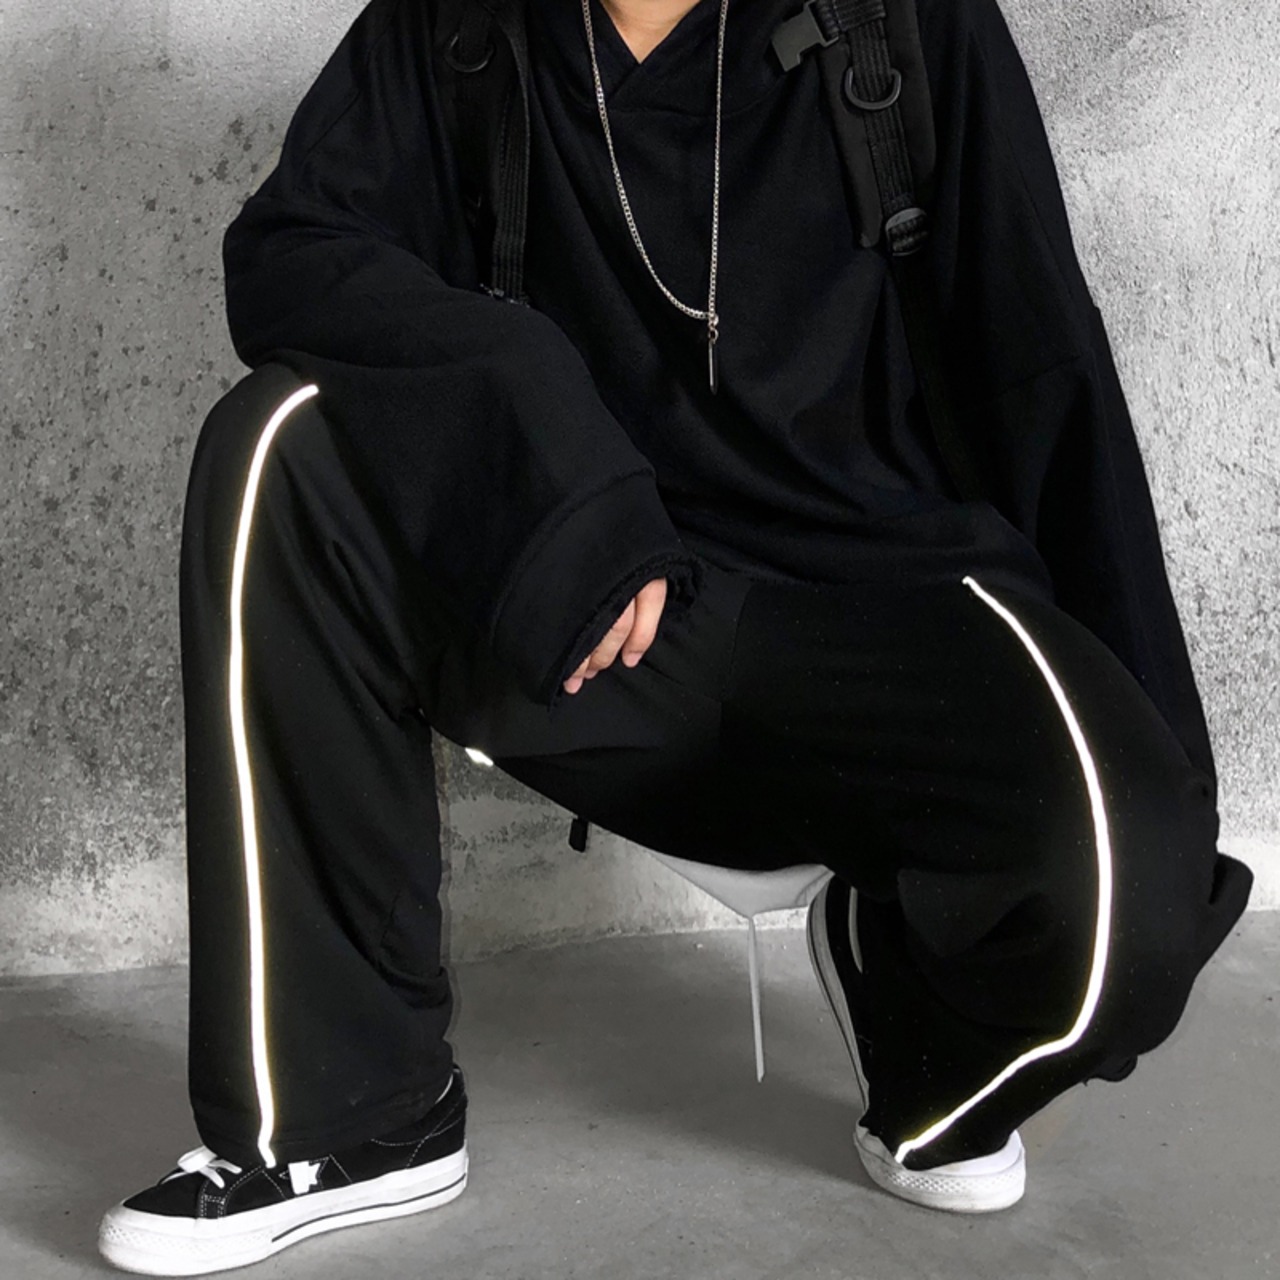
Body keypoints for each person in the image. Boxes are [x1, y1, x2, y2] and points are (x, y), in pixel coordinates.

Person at [97, 0, 1254, 1272]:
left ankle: (909, 1003)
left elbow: (1042, 369)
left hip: (890, 611)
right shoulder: (453, 25)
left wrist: (1164, 770)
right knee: (280, 444)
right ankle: (346, 1115)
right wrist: (550, 455)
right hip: (599, 626)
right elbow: (293, 250)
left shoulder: (904, 23)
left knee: (1128, 916)